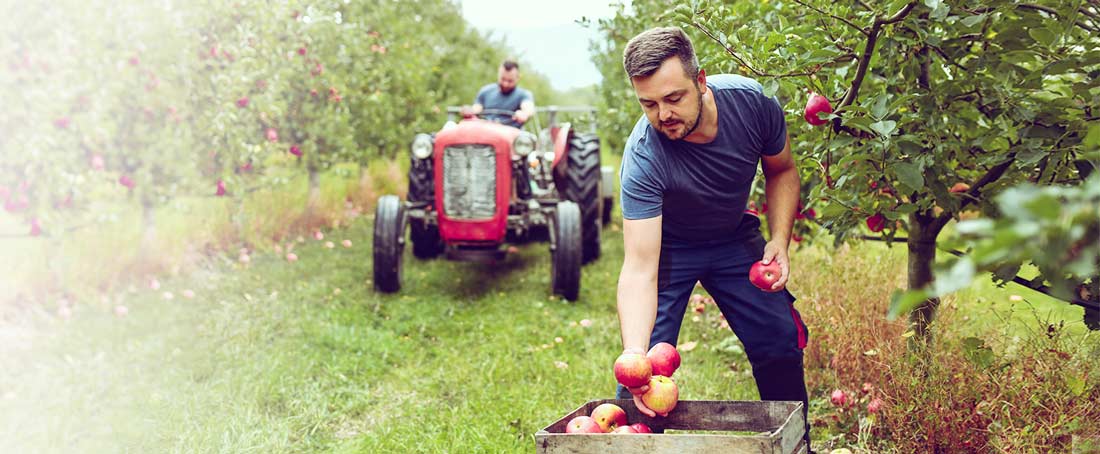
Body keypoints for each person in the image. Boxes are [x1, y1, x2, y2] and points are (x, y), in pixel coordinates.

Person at [614, 27, 811, 447]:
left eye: (674, 98)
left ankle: (795, 446)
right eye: (648, 104)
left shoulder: (753, 104)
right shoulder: (644, 156)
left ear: (701, 81)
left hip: (732, 237)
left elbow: (782, 169)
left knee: (779, 344)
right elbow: (639, 269)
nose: (663, 114)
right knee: (643, 373)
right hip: (670, 248)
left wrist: (779, 239)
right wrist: (633, 356)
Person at [461, 59, 535, 128]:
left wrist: (524, 114)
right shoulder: (486, 91)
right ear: (498, 75)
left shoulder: (523, 94)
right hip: (486, 130)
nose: (505, 84)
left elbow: (528, 108)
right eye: (503, 79)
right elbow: (477, 108)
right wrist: (470, 111)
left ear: (518, 78)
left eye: (510, 81)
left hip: (510, 132)